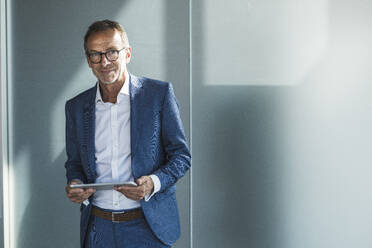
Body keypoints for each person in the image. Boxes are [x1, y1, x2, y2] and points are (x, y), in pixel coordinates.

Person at [64, 19, 191, 248]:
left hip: (148, 228)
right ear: (88, 60)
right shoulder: (76, 107)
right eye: (96, 54)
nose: (105, 62)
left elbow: (181, 156)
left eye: (112, 52)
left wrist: (152, 183)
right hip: (97, 229)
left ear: (127, 54)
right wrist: (75, 183)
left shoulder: (157, 95)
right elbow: (74, 163)